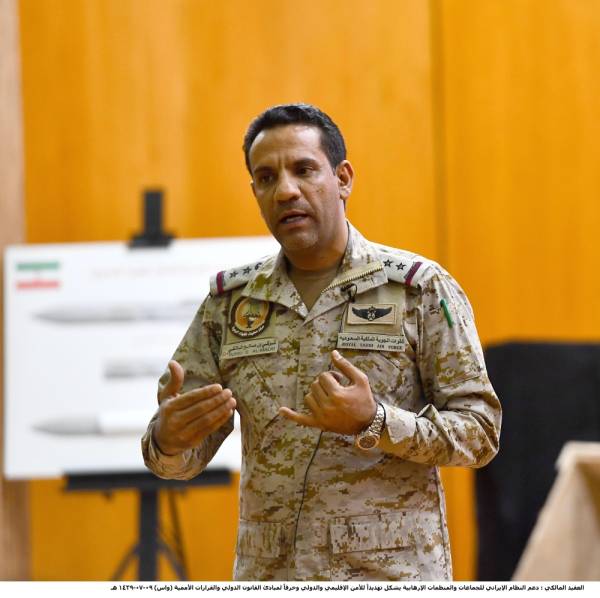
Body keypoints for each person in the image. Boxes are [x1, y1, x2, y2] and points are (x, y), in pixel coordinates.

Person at [142, 103, 501, 581]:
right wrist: (168, 441)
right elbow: (179, 459)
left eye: (304, 169)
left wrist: (375, 422)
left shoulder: (418, 290)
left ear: (343, 178)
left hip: (387, 575)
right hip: (271, 575)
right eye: (266, 178)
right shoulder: (231, 304)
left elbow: (480, 433)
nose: (285, 190)